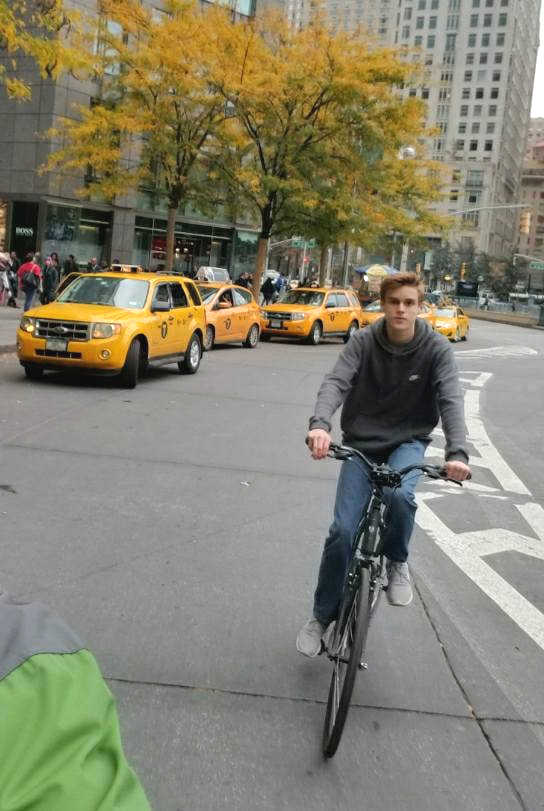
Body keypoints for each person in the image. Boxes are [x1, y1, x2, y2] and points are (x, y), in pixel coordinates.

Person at [296, 272, 471, 658]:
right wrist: (320, 425)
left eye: (409, 303)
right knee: (342, 532)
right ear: (383, 304)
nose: (401, 310)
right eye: (394, 302)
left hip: (408, 442)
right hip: (362, 443)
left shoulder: (436, 349)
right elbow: (336, 383)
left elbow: (450, 400)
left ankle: (396, 561)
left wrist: (457, 454)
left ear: (420, 307)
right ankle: (320, 618)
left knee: (400, 495)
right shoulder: (363, 341)